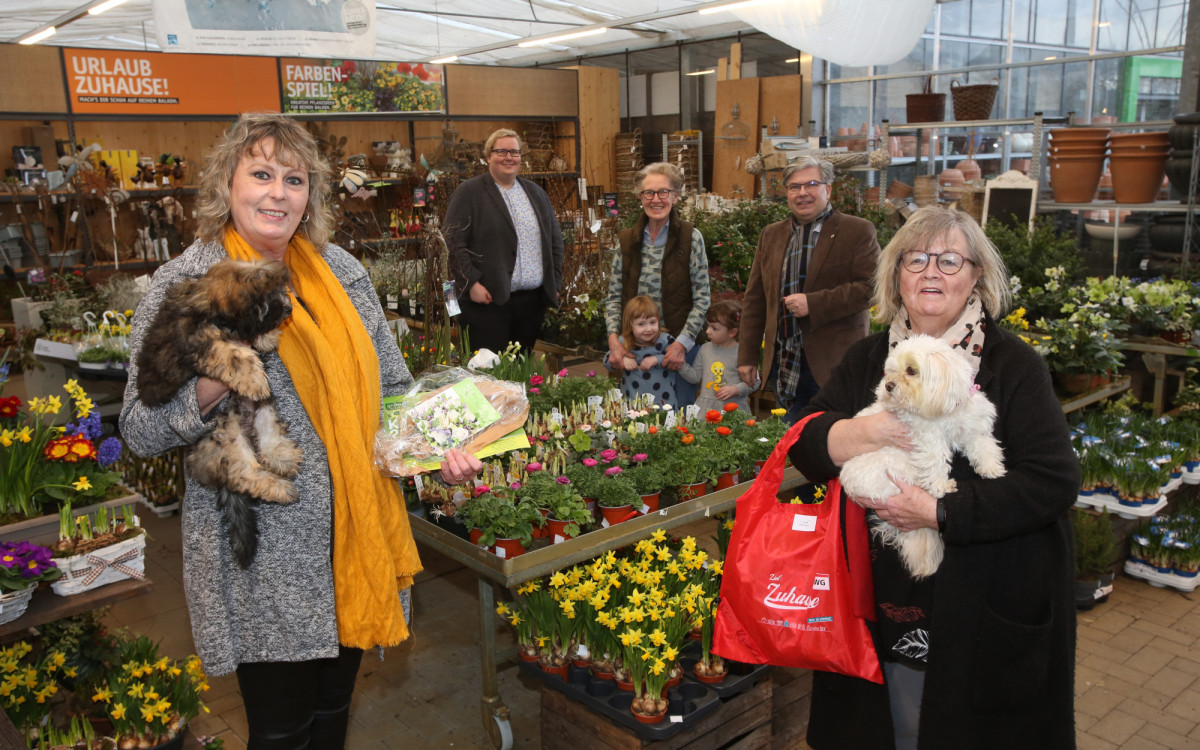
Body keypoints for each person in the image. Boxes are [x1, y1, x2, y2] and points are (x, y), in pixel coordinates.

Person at [119, 113, 483, 750]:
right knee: (282, 732)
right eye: (261, 174)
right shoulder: (184, 285)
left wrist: (436, 447)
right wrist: (215, 380)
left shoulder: (340, 273)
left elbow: (393, 391)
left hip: (352, 536)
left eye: (294, 179)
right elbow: (140, 430)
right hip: (260, 556)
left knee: (332, 717)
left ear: (310, 195)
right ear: (226, 183)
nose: (277, 193)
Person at [790, 206, 1079, 750]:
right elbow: (805, 439)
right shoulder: (871, 358)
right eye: (916, 259)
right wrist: (872, 432)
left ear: (976, 277)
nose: (931, 273)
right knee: (886, 727)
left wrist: (942, 512)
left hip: (983, 604)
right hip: (881, 601)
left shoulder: (1011, 365)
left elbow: (1054, 480)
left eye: (950, 261)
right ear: (895, 275)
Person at [738, 156, 879, 421]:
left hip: (833, 364)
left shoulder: (857, 231)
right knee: (791, 441)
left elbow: (872, 288)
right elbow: (755, 300)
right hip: (784, 363)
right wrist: (747, 356)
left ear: (828, 189)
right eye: (794, 187)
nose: (802, 193)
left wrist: (813, 304)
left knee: (833, 442)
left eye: (811, 184)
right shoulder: (772, 234)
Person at [445, 128, 564, 353]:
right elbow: (453, 243)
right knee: (488, 372)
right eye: (501, 151)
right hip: (487, 303)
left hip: (530, 304)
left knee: (520, 370)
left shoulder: (536, 193)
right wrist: (471, 283)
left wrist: (554, 283)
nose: (508, 157)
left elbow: (555, 243)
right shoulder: (469, 193)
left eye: (514, 152)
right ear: (488, 156)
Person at [604, 162, 710, 402]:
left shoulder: (690, 238)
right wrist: (614, 341)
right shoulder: (627, 241)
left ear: (675, 196)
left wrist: (681, 345)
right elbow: (613, 297)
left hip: (678, 351)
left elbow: (702, 298)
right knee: (636, 418)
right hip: (634, 349)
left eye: (663, 192)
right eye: (648, 193)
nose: (656, 199)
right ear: (640, 197)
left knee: (680, 419)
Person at [678, 298, 756, 412]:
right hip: (706, 410)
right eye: (708, 326)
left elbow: (754, 381)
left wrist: (736, 389)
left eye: (714, 328)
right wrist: (681, 365)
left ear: (732, 332)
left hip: (733, 411)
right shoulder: (705, 349)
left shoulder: (742, 352)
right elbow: (695, 377)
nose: (708, 331)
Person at [603, 295, 679, 408]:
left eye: (652, 322)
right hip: (633, 403)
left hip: (663, 402)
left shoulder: (664, 340)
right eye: (641, 324)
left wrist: (656, 359)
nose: (648, 329)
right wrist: (623, 359)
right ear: (630, 325)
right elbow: (607, 362)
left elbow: (678, 360)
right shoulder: (624, 342)